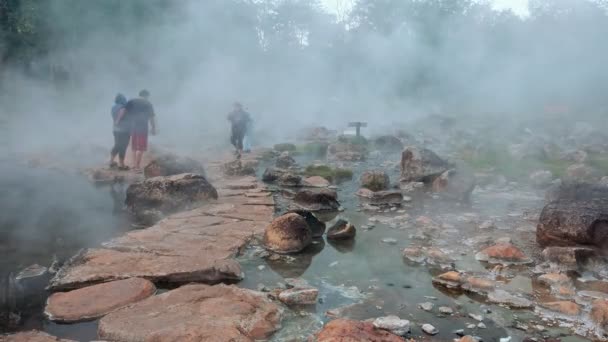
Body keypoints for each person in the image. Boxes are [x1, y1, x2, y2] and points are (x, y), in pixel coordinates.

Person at [125, 89, 156, 171]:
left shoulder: (131, 101)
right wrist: (153, 128)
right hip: (143, 127)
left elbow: (124, 112)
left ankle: (133, 165)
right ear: (146, 96)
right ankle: (137, 167)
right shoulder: (148, 103)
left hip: (133, 126)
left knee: (134, 147)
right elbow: (151, 118)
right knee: (141, 148)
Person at [109, 93, 130, 170]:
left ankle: (111, 161)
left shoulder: (113, 107)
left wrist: (116, 122)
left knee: (117, 145)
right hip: (124, 130)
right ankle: (121, 164)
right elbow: (123, 111)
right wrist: (118, 120)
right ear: (122, 100)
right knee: (123, 146)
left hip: (115, 129)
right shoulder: (123, 107)